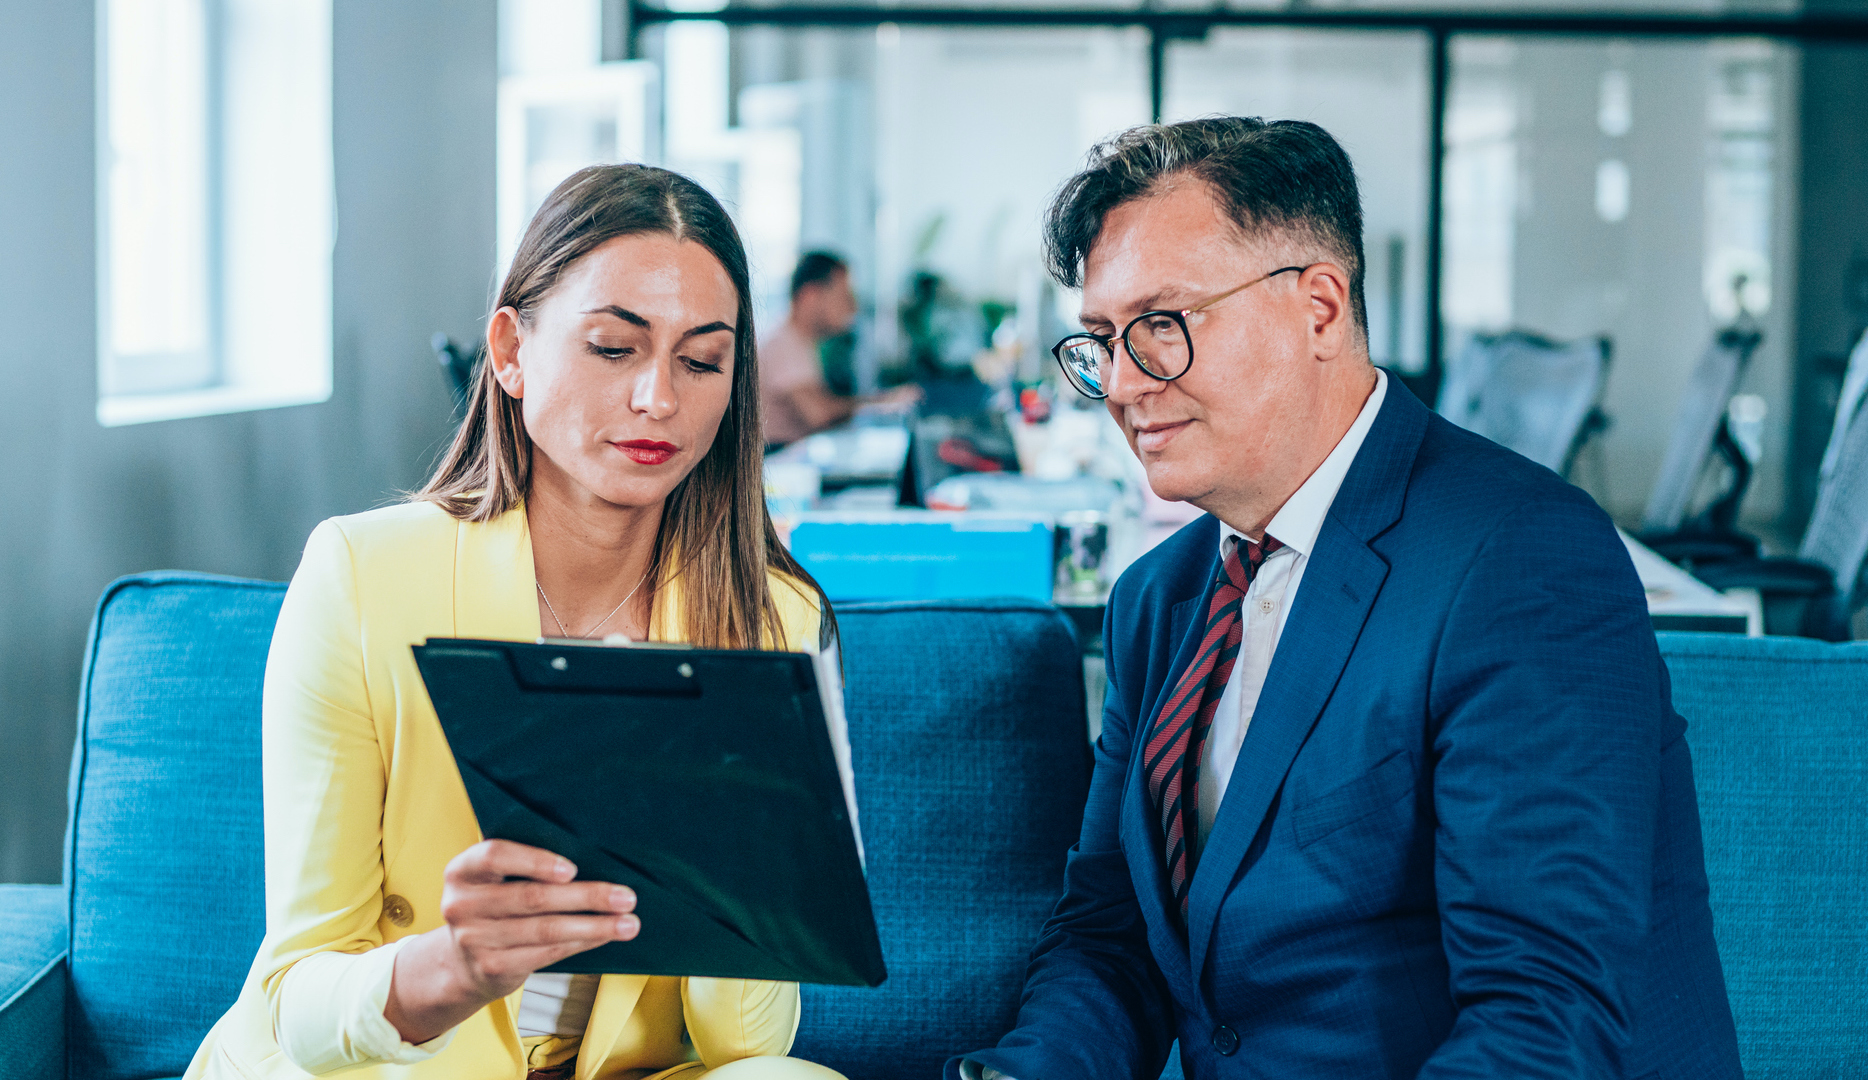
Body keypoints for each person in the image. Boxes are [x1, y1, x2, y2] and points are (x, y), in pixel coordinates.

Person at [955, 118, 1742, 1079]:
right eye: (1104, 341)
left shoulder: (1520, 560)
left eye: (1162, 326)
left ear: (1320, 309)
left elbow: (1545, 1017)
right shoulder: (1159, 601)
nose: (1121, 385)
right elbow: (1111, 935)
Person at [186, 164, 846, 1080]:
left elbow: (747, 1043)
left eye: (701, 361)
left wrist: (733, 853)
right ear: (510, 351)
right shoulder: (363, 575)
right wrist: (450, 969)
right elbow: (298, 1002)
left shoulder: (770, 617)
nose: (659, 399)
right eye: (613, 347)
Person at [758, 251, 918, 447]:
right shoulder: (782, 344)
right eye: (843, 296)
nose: (852, 308)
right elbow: (819, 413)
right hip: (776, 457)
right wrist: (882, 402)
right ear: (810, 295)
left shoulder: (799, 341)